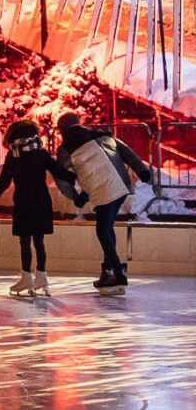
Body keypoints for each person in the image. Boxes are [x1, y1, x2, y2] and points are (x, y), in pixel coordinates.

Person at [54, 111, 154, 292]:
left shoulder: (66, 148)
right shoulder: (101, 135)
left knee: (103, 231)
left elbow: (61, 177)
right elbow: (126, 152)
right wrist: (142, 171)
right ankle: (108, 271)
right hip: (121, 186)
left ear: (62, 130)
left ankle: (118, 272)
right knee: (107, 229)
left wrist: (75, 196)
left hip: (103, 190)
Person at [0, 119, 76, 297]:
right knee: (39, 242)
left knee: (25, 241)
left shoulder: (14, 156)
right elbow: (58, 171)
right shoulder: (41, 154)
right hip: (41, 202)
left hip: (24, 203)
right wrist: (75, 178)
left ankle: (27, 277)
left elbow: (5, 179)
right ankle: (42, 277)